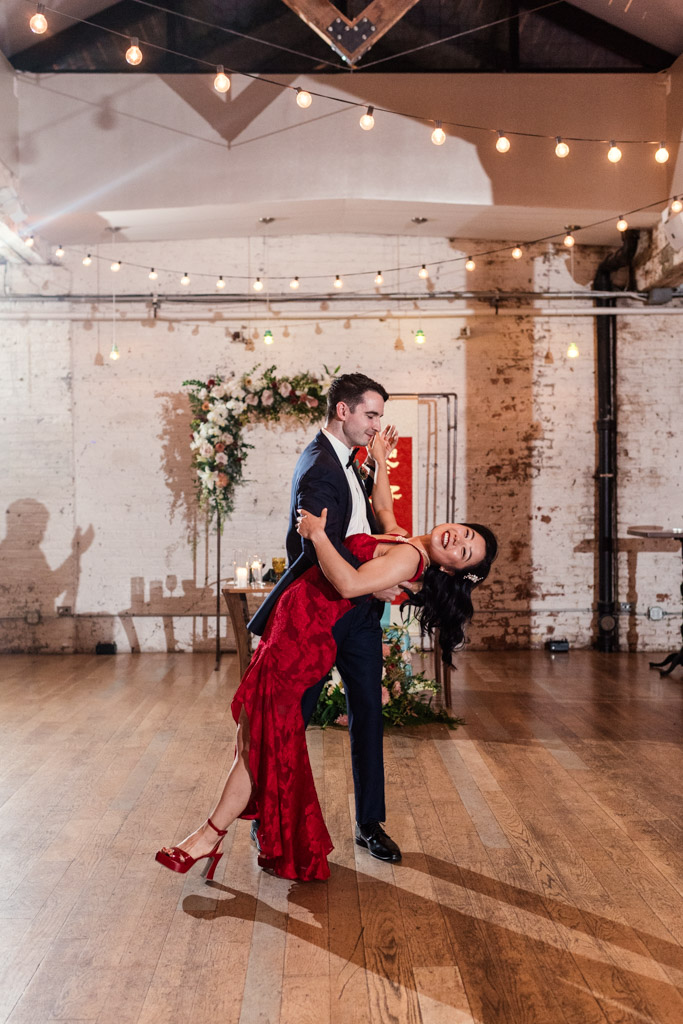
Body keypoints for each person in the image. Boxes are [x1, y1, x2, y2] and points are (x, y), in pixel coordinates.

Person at [155, 432, 497, 883]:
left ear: (454, 569)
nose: (456, 539)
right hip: (300, 628)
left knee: (273, 735)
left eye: (463, 550)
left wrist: (317, 535)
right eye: (465, 532)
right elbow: (386, 514)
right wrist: (380, 462)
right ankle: (239, 830)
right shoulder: (411, 543)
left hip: (309, 632)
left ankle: (215, 836)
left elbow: (352, 584)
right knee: (262, 735)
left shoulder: (412, 557)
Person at [248, 372, 403, 864]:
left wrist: (378, 466)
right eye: (371, 415)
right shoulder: (319, 467)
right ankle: (266, 821)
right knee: (291, 720)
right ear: (344, 411)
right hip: (320, 614)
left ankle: (369, 823)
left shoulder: (351, 462)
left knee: (368, 715)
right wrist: (380, 577)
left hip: (359, 611)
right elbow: (320, 551)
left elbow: (369, 523)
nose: (377, 424)